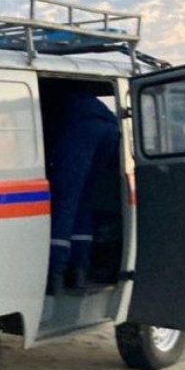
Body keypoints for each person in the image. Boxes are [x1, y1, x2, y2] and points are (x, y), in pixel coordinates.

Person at [44, 89, 120, 294]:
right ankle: (78, 270)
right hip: (110, 128)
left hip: (80, 127)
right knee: (82, 200)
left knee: (64, 202)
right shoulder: (76, 98)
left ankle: (54, 273)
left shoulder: (45, 101)